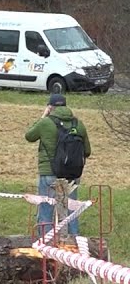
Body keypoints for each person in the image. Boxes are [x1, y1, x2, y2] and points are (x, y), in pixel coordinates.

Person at [25, 92, 91, 242]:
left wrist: (43, 115)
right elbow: (87, 151)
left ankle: (46, 244)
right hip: (72, 175)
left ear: (50, 107)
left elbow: (29, 136)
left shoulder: (45, 122)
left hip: (49, 173)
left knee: (46, 208)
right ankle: (75, 243)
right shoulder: (78, 124)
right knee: (71, 209)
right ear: (66, 106)